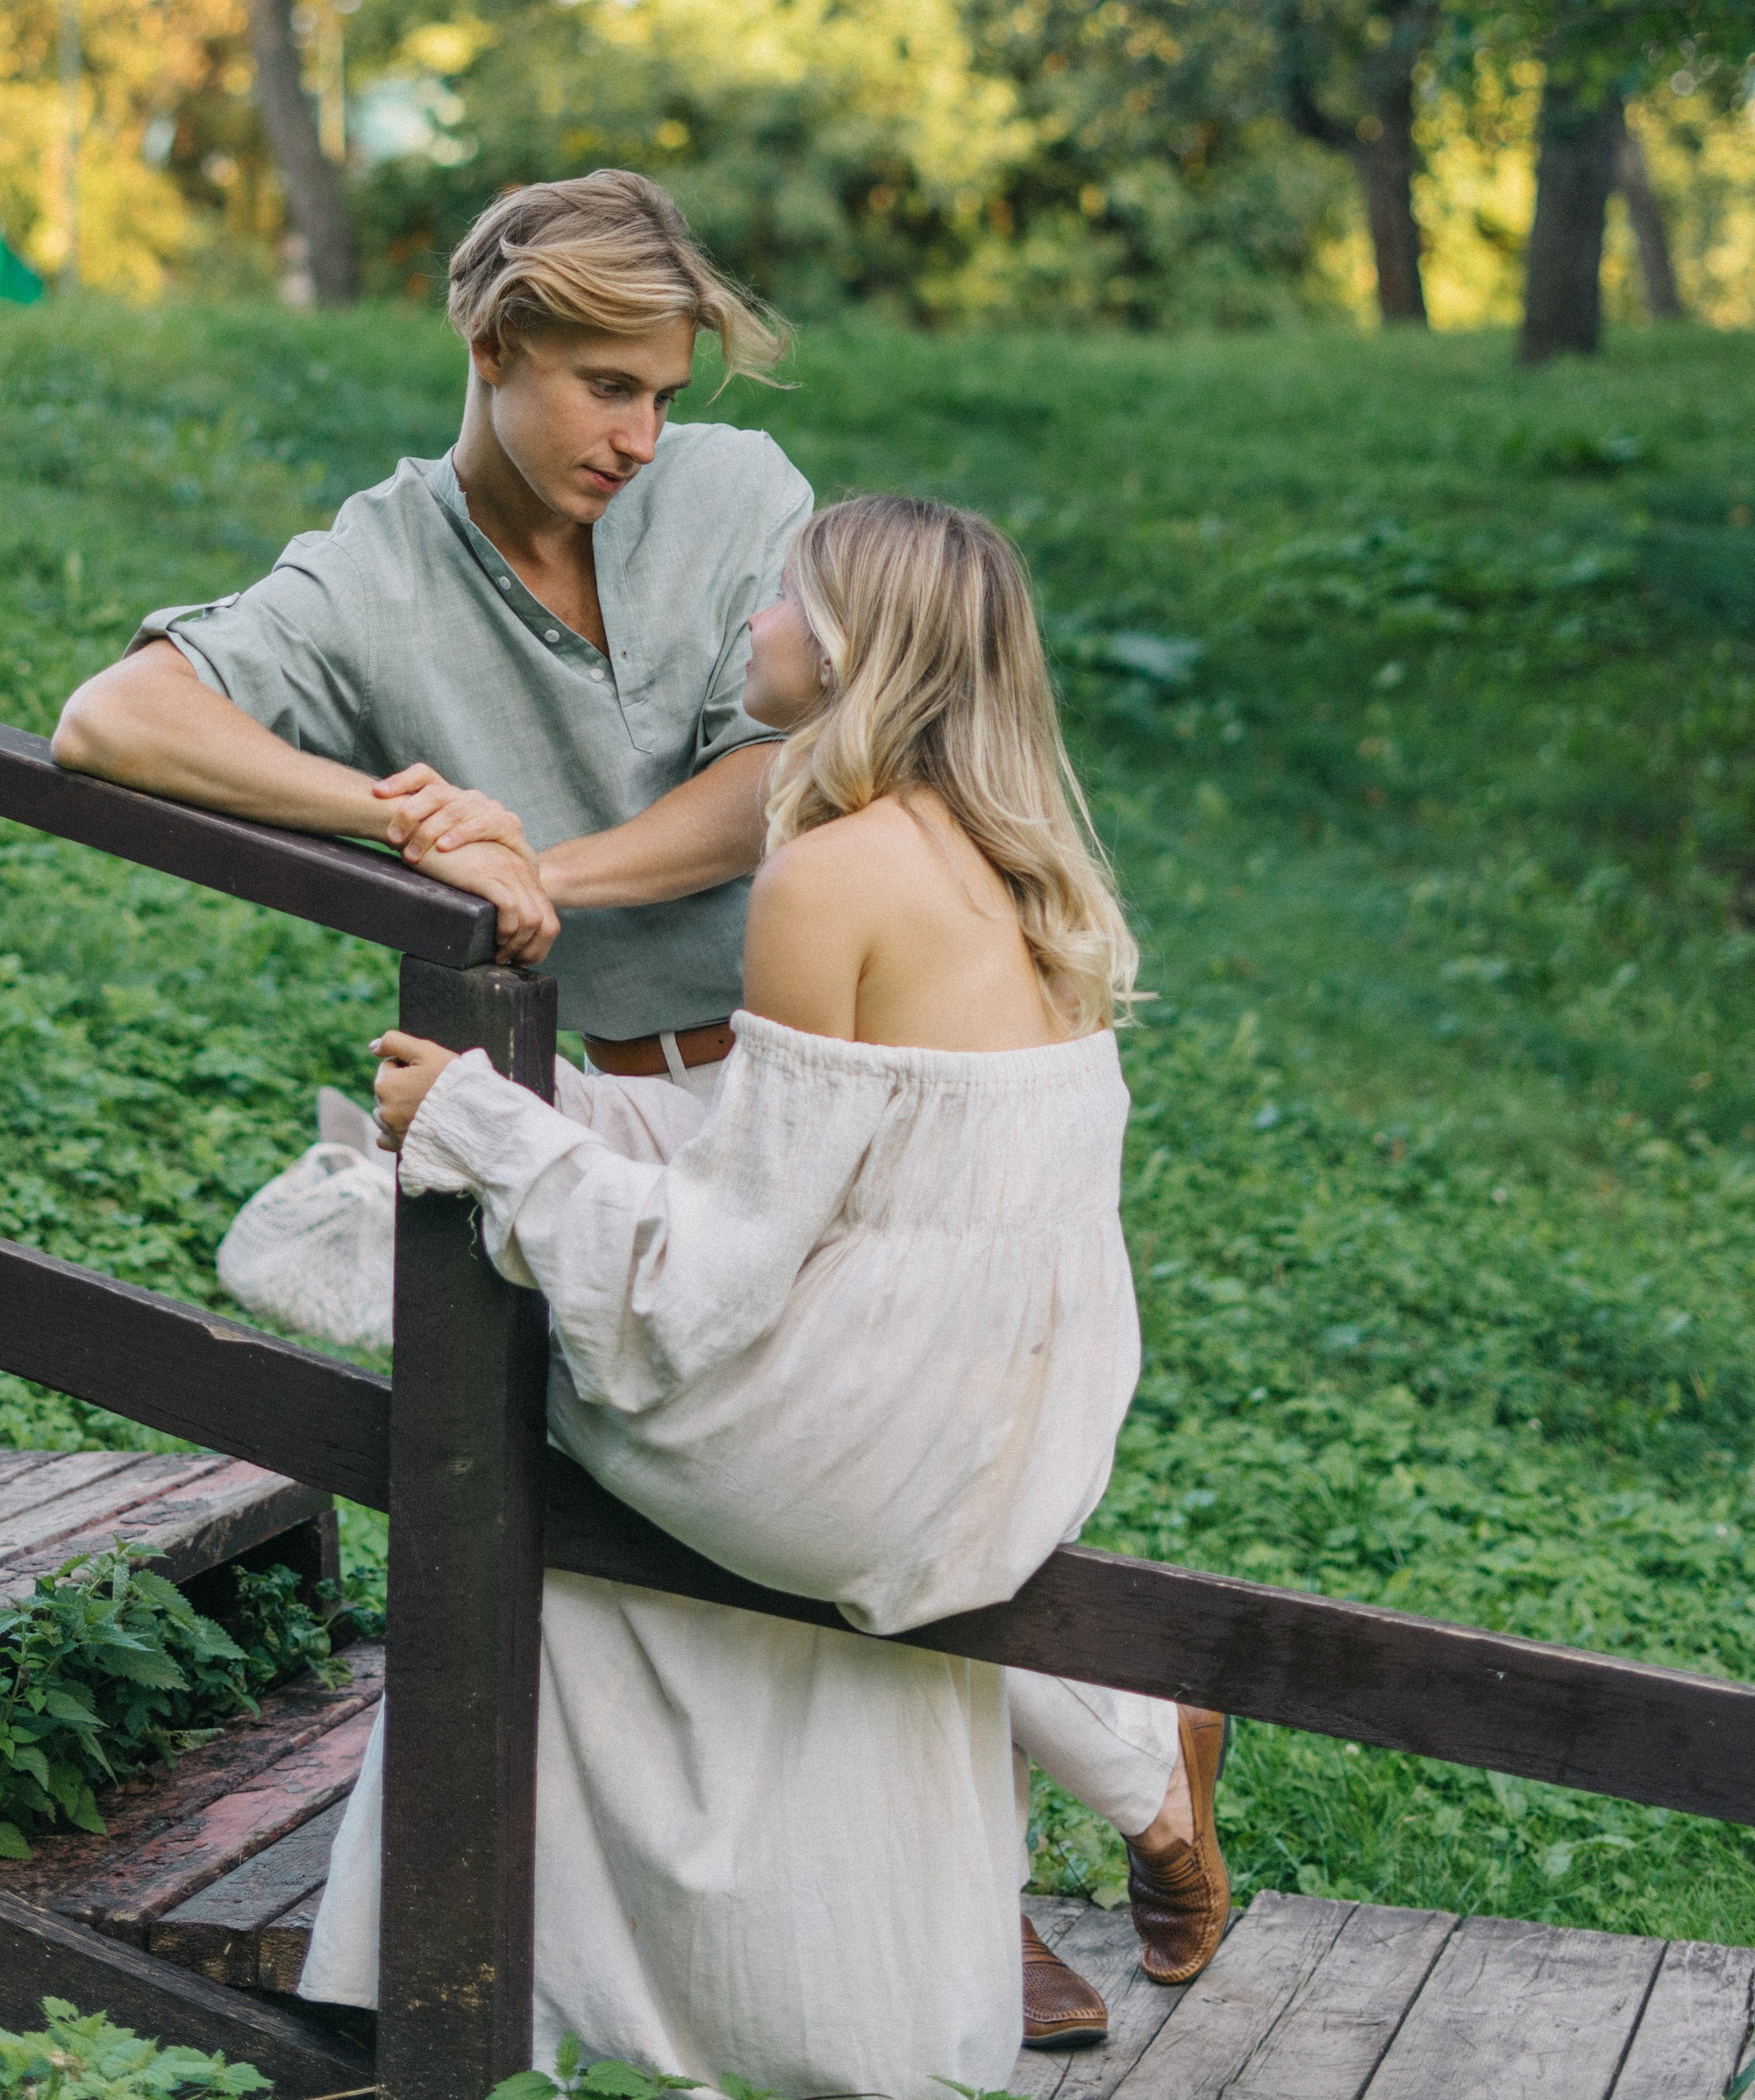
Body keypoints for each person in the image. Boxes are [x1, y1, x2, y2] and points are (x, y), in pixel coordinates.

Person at [300, 497, 1231, 2093]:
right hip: (1011, 1423)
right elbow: (860, 1179)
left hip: (863, 1446)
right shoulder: (1024, 870)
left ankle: (503, 1985)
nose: (752, 628)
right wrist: (562, 1127)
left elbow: (712, 1283)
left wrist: (476, 1126)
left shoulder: (829, 876)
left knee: (494, 1387)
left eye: (780, 602)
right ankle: (1119, 1750)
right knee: (581, 1500)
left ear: (849, 648)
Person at [51, 169, 809, 1091]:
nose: (640, 439)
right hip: (639, 1100)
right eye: (608, 387)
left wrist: (535, 868)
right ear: (495, 344)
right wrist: (414, 820)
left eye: (663, 397)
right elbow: (114, 718)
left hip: (884, 1051)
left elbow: (781, 771)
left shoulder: (738, 487)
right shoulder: (375, 573)